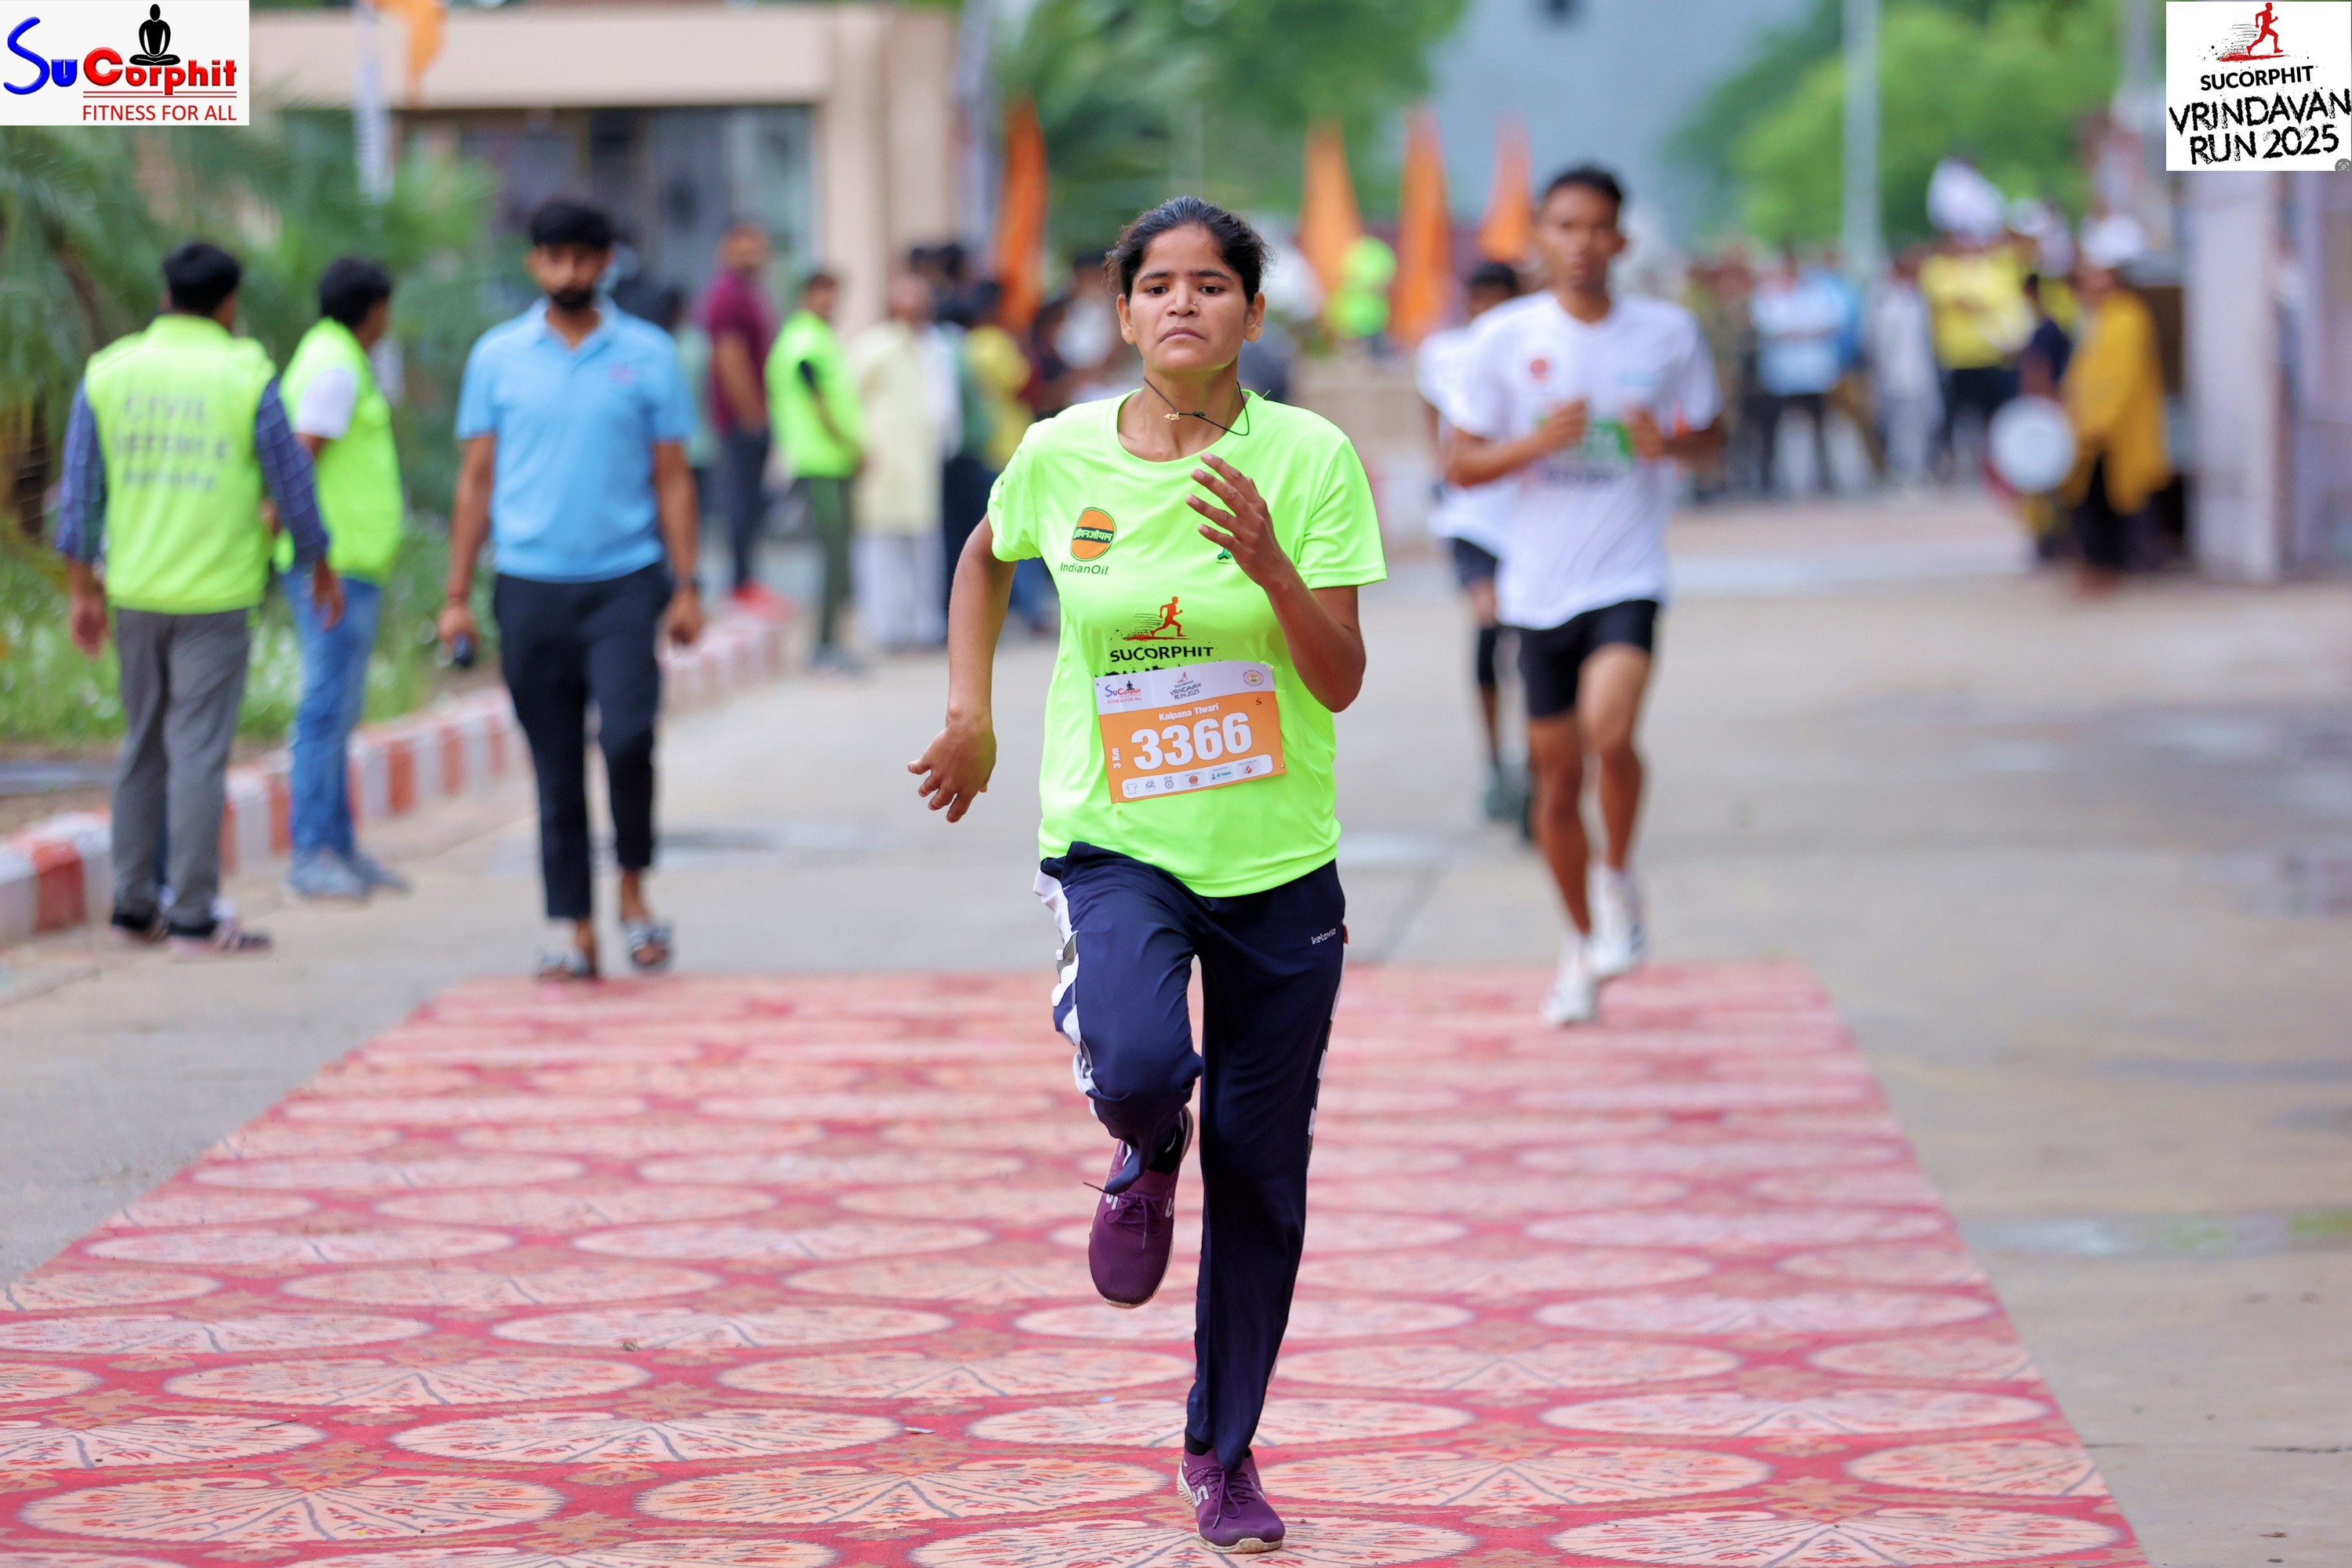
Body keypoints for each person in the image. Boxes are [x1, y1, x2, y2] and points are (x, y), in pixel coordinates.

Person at [909, 197, 1384, 1554]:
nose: (1185, 304)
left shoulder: (1310, 458)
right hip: (1116, 840)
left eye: (1212, 285)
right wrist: (971, 711)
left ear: (1252, 312)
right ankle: (1145, 1143)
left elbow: (1339, 680)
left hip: (1278, 863)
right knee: (1135, 1062)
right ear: (1120, 313)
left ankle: (1222, 1453)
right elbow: (985, 557)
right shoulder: (1061, 452)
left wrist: (1273, 567)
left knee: (1263, 1173)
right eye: (1158, 285)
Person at [1447, 166, 1723, 1025]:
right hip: (1537, 589)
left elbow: (1713, 440)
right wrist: (1534, 445)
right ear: (1539, 235)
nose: (1582, 243)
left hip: (1627, 575)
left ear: (1623, 240)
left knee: (1611, 732)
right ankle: (1577, 943)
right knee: (1557, 784)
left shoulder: (1668, 333)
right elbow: (1461, 462)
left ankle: (1617, 875)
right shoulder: (1504, 337)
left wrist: (1671, 444)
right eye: (1565, 226)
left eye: (1598, 227)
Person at [53, 241, 341, 956]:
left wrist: (83, 591)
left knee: (142, 747)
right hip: (216, 594)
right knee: (198, 754)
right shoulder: (247, 375)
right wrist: (318, 564)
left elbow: (80, 494)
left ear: (165, 296)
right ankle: (191, 915)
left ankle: (132, 907)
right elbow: (292, 484)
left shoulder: (109, 372)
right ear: (229, 304)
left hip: (134, 591)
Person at [441, 199, 704, 981]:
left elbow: (674, 477)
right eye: (554, 257)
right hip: (529, 585)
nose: (569, 272)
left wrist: (687, 585)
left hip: (626, 581)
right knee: (555, 766)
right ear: (535, 263)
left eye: (584, 258)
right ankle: (577, 929)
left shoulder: (649, 354)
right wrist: (455, 595)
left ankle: (633, 891)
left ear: (606, 263)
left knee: (627, 738)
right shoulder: (497, 357)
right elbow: (476, 479)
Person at [278, 256, 410, 903]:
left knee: (339, 711)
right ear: (375, 309)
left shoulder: (335, 357)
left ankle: (339, 845)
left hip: (351, 565)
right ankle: (312, 852)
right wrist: (317, 558)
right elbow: (299, 462)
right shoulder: (335, 367)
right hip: (333, 570)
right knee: (325, 711)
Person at [1415, 260, 1523, 820]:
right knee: (1490, 622)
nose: (1490, 312)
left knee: (1531, 641)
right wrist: (1439, 464)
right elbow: (1431, 410)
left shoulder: (1534, 351)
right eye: (1482, 300)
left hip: (1529, 517)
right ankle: (1495, 758)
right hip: (1472, 517)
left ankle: (1535, 754)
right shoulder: (1445, 353)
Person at [2060, 218, 2170, 597]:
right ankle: (2101, 565)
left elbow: (2119, 379)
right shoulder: (2097, 317)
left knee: (2118, 501)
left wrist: (2095, 422)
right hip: (2090, 431)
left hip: (2110, 431)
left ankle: (2119, 566)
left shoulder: (2127, 316)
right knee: (2094, 502)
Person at [848, 274, 952, 649]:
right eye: (907, 304)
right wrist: (858, 448)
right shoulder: (873, 347)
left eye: (920, 303)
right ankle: (886, 627)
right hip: (881, 460)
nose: (914, 311)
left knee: (924, 544)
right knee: (881, 542)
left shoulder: (936, 345)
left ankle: (924, 624)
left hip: (923, 460)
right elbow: (850, 399)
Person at [767, 270, 863, 670]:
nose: (830, 303)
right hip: (821, 461)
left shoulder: (818, 337)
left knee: (840, 556)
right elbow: (819, 400)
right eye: (823, 295)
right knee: (834, 556)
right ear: (805, 296)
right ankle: (824, 645)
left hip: (833, 461)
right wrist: (850, 444)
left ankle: (833, 641)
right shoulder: (805, 341)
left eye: (834, 295)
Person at [699, 221, 785, 615]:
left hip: (753, 416)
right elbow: (730, 359)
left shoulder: (750, 293)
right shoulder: (728, 297)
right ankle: (739, 585)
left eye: (758, 249)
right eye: (745, 248)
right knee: (741, 503)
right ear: (726, 249)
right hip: (740, 420)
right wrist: (753, 418)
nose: (753, 256)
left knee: (752, 504)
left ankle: (748, 581)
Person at [1919, 232, 2031, 479]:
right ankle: (1944, 464)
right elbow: (1960, 300)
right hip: (1957, 359)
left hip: (1994, 357)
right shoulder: (1941, 269)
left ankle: (1995, 464)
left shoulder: (1996, 269)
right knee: (1949, 417)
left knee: (1994, 415)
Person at [1749, 249, 1846, 496]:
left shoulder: (1818, 291)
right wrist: (1805, 330)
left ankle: (1825, 477)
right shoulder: (1768, 293)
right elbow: (1770, 326)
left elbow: (1832, 321)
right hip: (1780, 375)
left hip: (1814, 373)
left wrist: (1798, 331)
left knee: (1820, 427)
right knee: (1772, 429)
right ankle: (1769, 480)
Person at [1867, 249, 1944, 488]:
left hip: (1920, 373)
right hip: (1896, 376)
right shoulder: (1884, 301)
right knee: (1901, 428)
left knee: (1923, 424)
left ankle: (1917, 469)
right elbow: (1879, 345)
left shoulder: (1916, 299)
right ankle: (1903, 473)